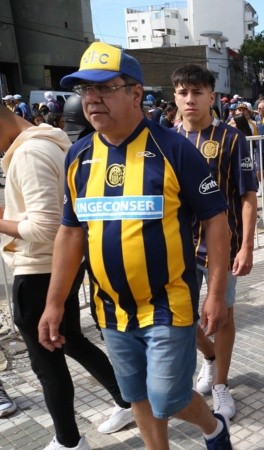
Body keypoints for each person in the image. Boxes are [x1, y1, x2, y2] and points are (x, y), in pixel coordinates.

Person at [37, 42, 233, 449]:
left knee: (169, 397)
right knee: (137, 395)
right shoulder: (78, 156)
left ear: (135, 94)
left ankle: (214, 428)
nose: (91, 99)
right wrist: (55, 303)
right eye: (84, 91)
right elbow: (71, 233)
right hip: (110, 308)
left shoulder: (175, 149)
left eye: (104, 88)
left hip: (168, 302)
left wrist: (215, 293)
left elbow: (217, 222)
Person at [0, 90, 136, 450]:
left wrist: (2, 221)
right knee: (71, 339)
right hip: (59, 264)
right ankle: (126, 400)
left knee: (46, 360)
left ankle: (69, 441)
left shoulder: (29, 153)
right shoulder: (47, 142)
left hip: (39, 268)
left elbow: (46, 228)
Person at [172, 64, 258, 421]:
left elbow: (248, 195)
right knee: (180, 317)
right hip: (177, 246)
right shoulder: (167, 138)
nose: (189, 100)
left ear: (212, 96)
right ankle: (209, 357)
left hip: (223, 246)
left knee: (222, 316)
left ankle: (221, 385)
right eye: (182, 93)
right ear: (174, 96)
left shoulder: (232, 138)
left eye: (196, 92)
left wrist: (247, 246)